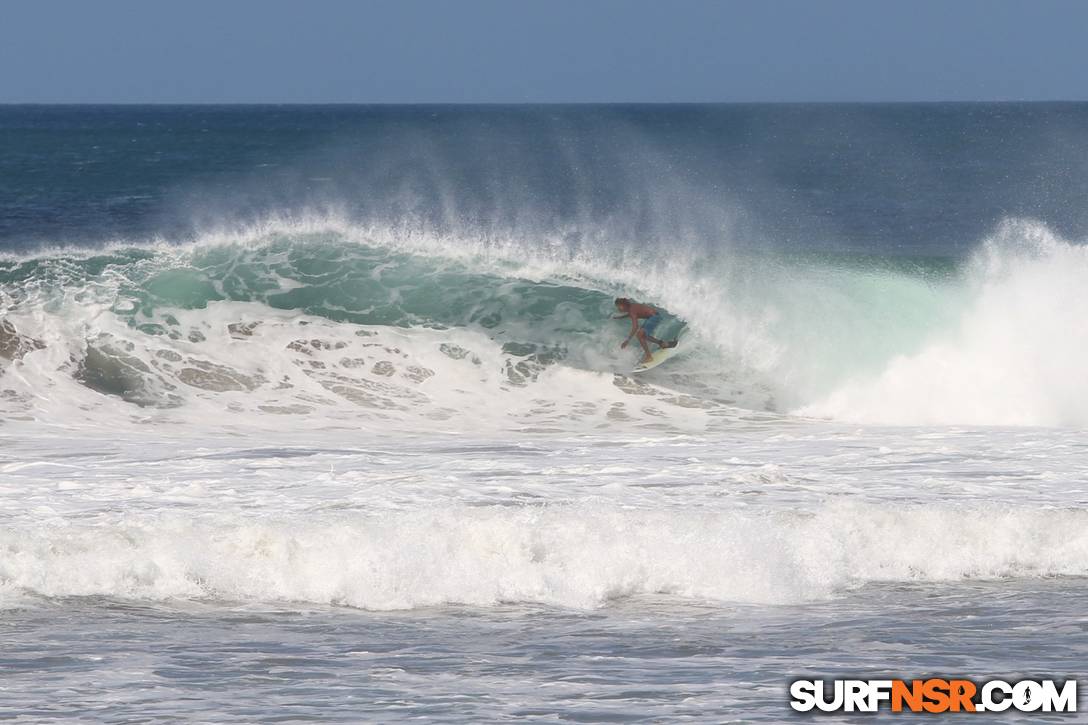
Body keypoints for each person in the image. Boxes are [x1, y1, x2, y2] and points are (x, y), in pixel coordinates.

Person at [613, 298, 677, 364]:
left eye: (619, 306)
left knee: (639, 334)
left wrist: (627, 340)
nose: (618, 308)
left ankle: (649, 357)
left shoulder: (632, 310)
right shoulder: (632, 307)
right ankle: (663, 344)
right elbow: (632, 314)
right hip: (653, 317)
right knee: (643, 335)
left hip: (654, 317)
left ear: (624, 305)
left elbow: (635, 326)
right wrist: (620, 317)